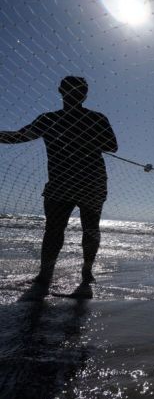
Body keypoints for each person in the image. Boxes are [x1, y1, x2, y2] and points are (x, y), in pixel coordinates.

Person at [0, 76, 118, 297]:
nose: (75, 94)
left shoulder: (95, 118)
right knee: (55, 230)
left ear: (84, 94)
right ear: (61, 92)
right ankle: (46, 275)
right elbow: (19, 136)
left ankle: (86, 272)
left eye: (79, 90)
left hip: (90, 183)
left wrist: (81, 136)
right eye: (72, 90)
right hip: (63, 183)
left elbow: (112, 145)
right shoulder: (48, 119)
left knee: (88, 229)